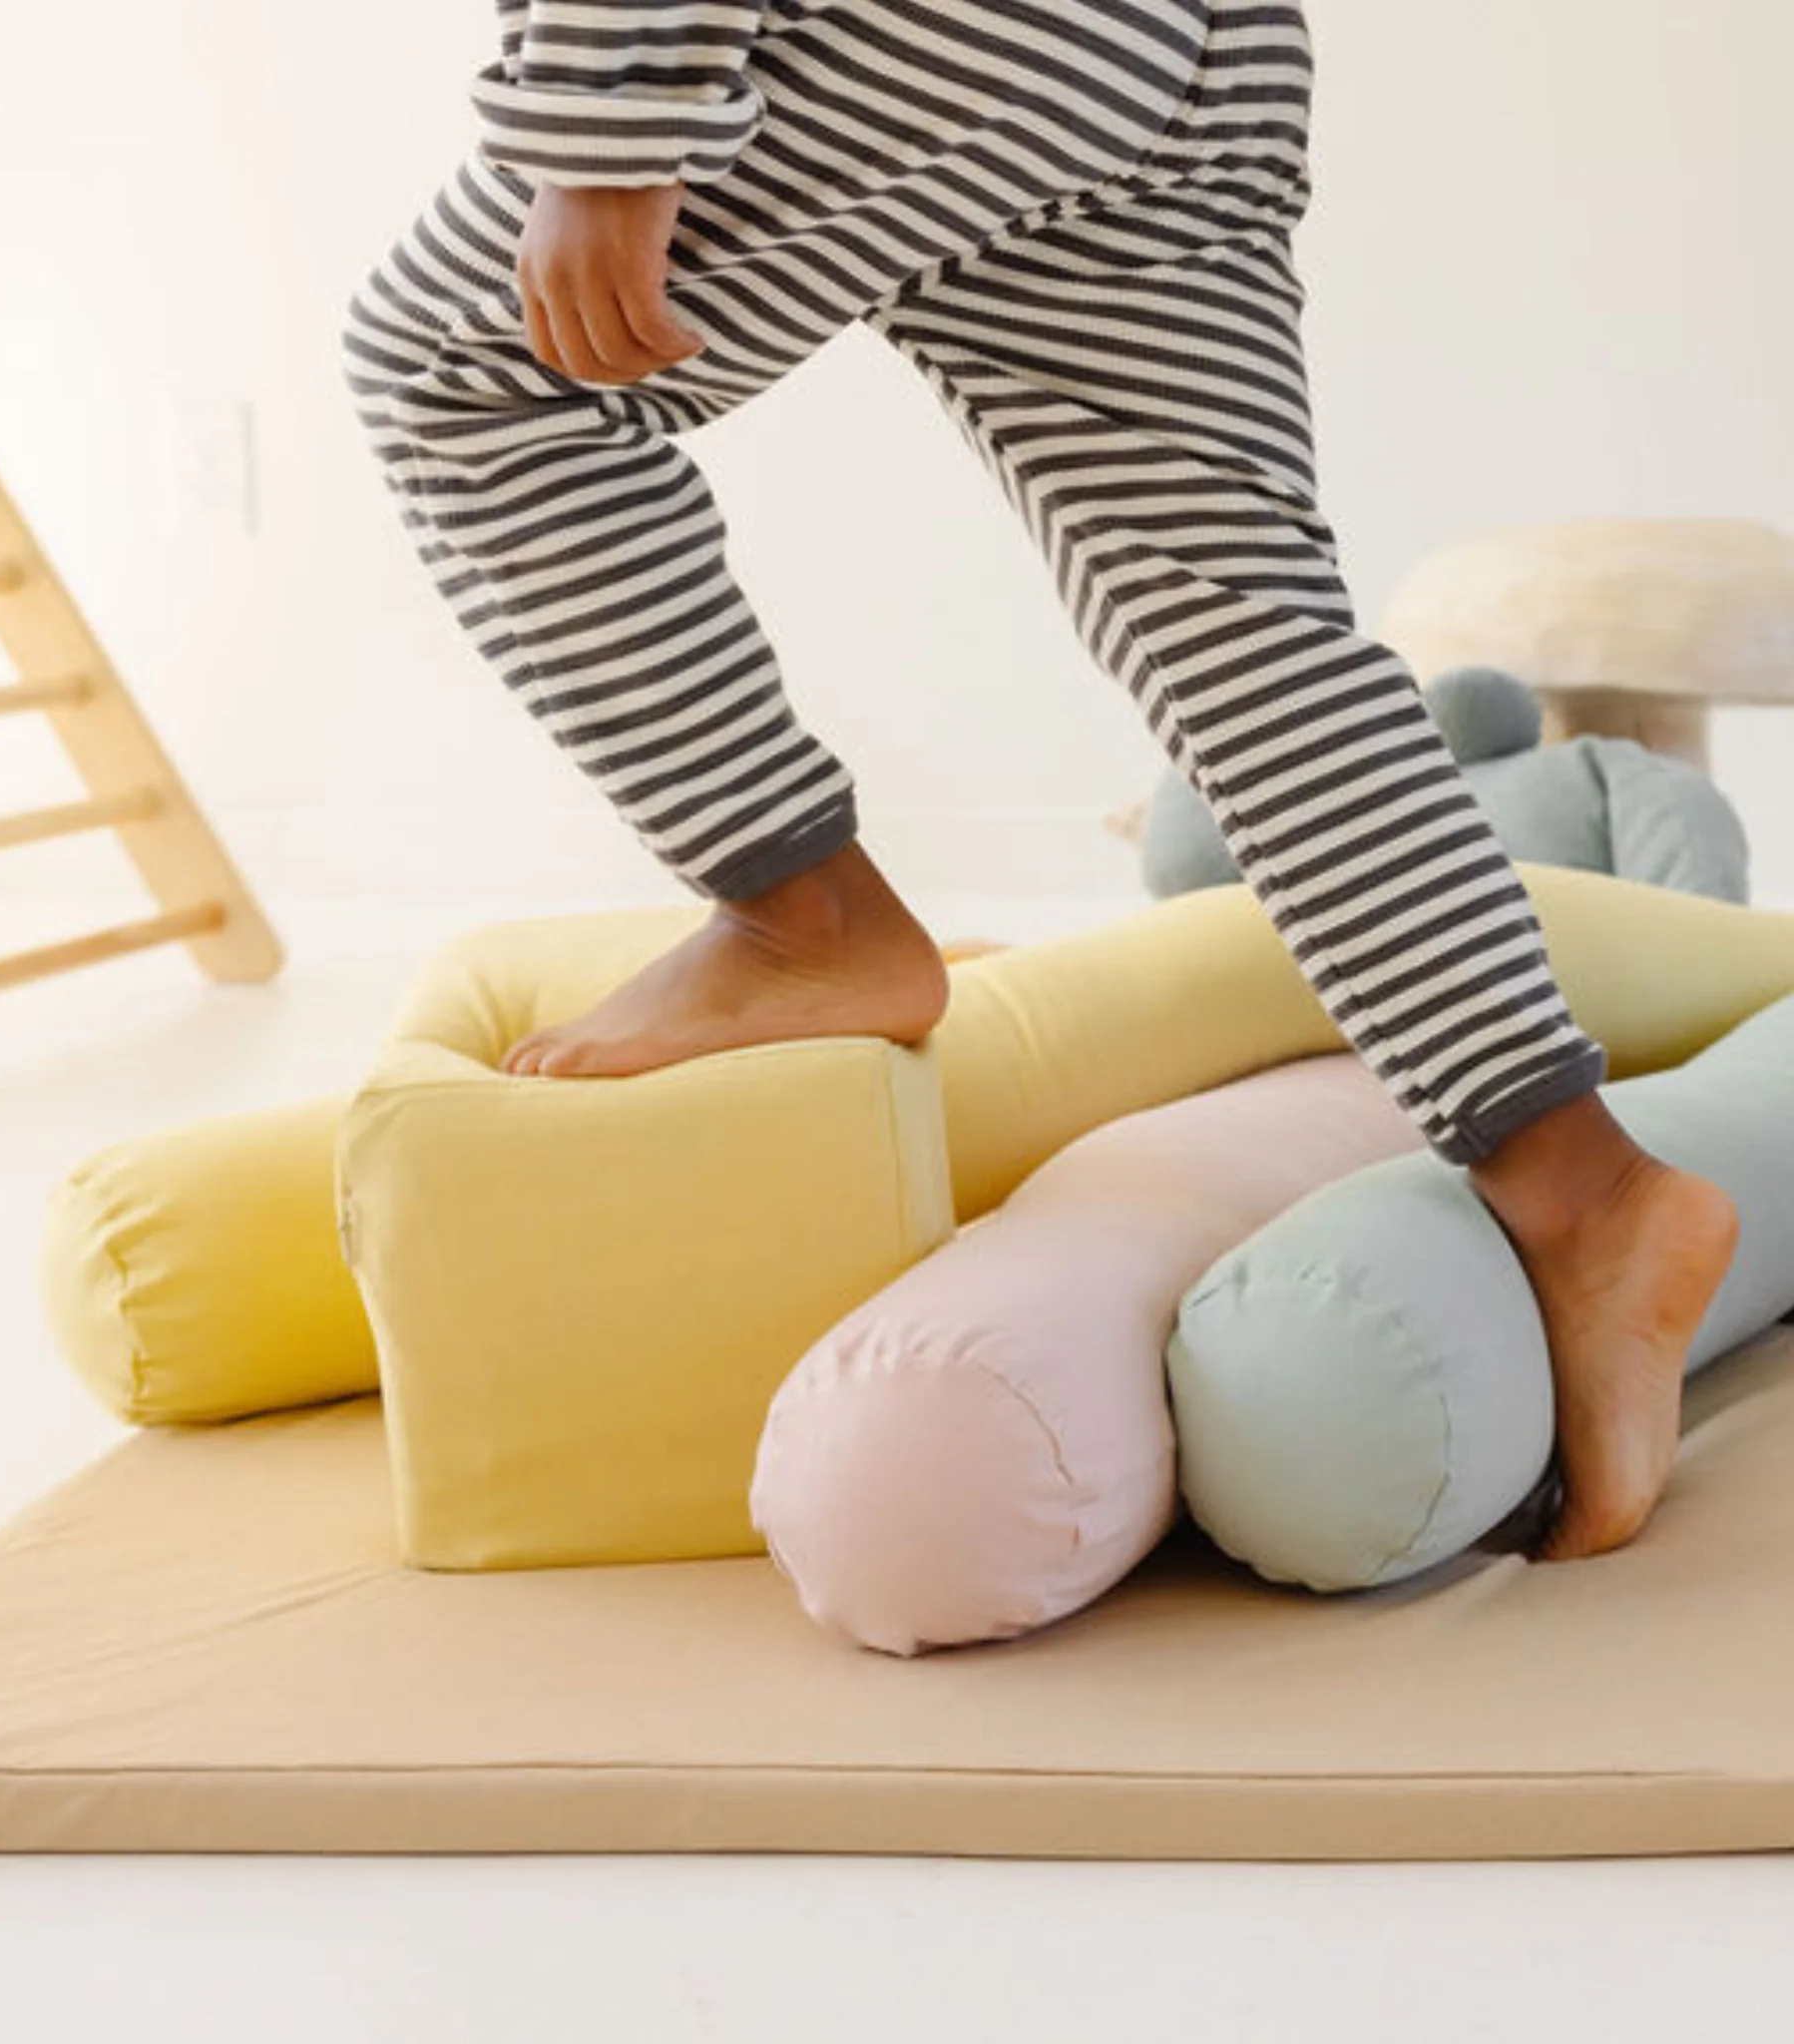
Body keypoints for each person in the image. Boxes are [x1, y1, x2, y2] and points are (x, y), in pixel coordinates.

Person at [342, 0, 1738, 1563]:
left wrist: (608, 121)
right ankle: (1582, 1185)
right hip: (1184, 46)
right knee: (1230, 618)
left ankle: (802, 916)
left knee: (455, 375)